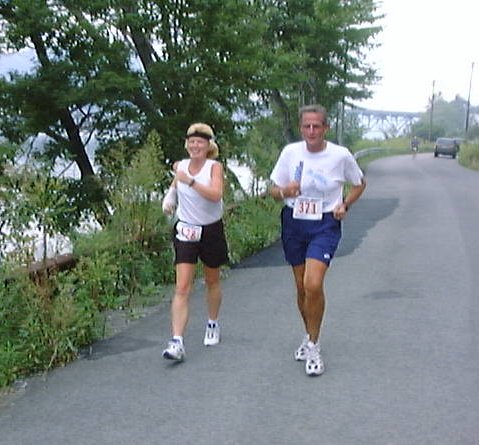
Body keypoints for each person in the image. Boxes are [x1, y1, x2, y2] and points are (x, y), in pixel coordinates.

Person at [269, 104, 366, 376]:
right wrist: (284, 191)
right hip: (294, 221)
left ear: (326, 128)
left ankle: (313, 346)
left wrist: (344, 204)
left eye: (316, 126)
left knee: (313, 284)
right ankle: (309, 333)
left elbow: (359, 183)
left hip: (325, 223)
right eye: (306, 126)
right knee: (301, 287)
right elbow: (273, 191)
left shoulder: (340, 155)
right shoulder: (290, 153)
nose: (311, 131)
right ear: (301, 128)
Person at [161, 123, 229, 362]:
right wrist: (170, 199)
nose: (195, 146)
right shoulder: (180, 166)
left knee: (212, 280)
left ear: (208, 145)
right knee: (182, 287)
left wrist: (190, 181)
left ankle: (212, 322)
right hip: (186, 230)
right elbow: (175, 183)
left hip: (211, 229)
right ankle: (177, 341)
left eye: (200, 142)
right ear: (187, 144)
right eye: (192, 142)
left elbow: (216, 195)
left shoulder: (214, 167)